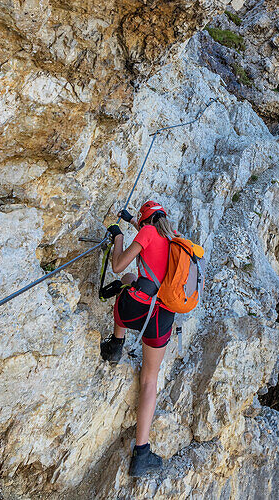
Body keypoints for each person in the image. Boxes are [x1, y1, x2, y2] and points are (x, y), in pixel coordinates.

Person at [99, 200, 178, 477]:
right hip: (162, 318)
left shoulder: (146, 233)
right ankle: (141, 454)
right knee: (149, 380)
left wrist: (118, 235)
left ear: (146, 222)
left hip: (137, 311)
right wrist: (131, 219)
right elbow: (146, 231)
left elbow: (119, 265)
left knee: (125, 288)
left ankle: (116, 344)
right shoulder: (173, 238)